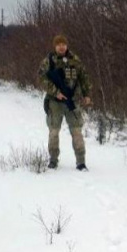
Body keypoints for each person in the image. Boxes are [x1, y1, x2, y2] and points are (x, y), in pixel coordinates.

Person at [38, 34, 93, 171]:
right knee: (54, 132)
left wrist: (86, 94)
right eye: (58, 44)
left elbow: (84, 77)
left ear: (67, 45)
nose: (61, 47)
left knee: (76, 131)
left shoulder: (75, 60)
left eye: (63, 44)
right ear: (55, 46)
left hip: (72, 101)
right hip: (54, 102)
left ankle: (81, 162)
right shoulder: (48, 61)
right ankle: (53, 160)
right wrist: (56, 92)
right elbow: (41, 78)